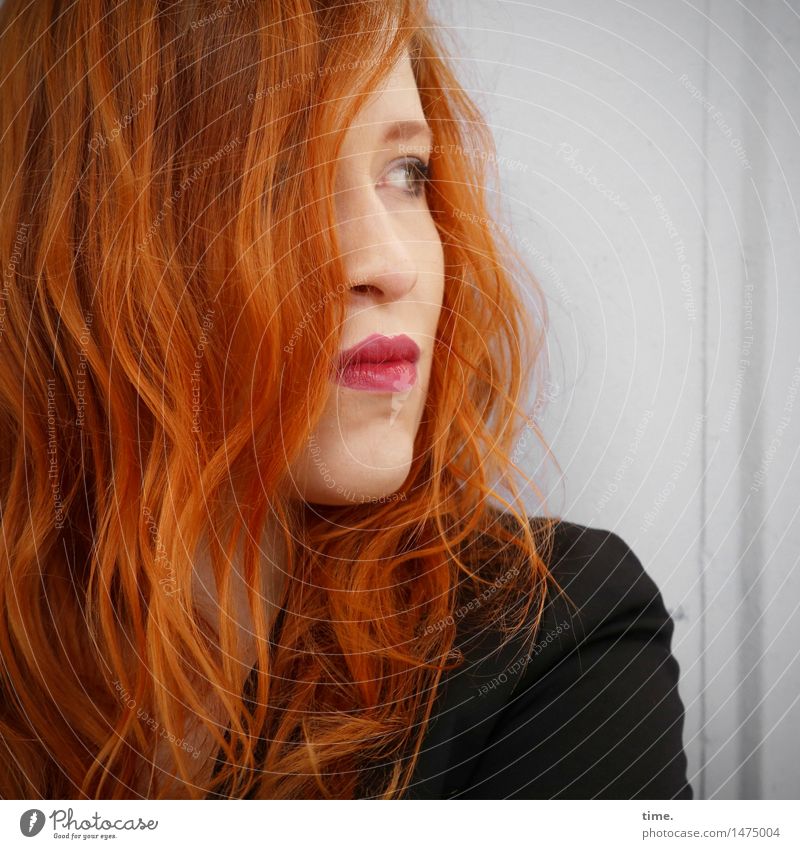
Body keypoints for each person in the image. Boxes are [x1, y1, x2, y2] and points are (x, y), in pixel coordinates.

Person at [0, 0, 691, 800]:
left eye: (407, 174)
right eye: (277, 182)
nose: (391, 264)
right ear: (79, 238)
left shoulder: (552, 631)